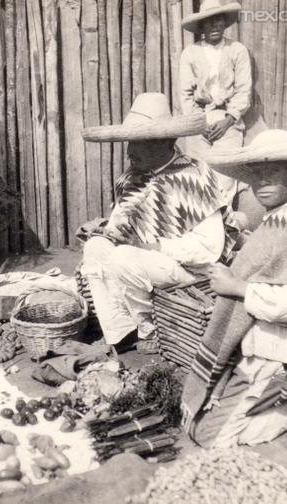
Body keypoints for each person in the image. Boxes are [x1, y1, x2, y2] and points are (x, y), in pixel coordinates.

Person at [181, 129, 287, 448]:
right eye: (256, 173)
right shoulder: (275, 221)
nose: (263, 181)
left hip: (276, 353)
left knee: (209, 437)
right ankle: (276, 402)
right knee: (199, 416)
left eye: (274, 171)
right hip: (255, 346)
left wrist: (238, 287)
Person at [78, 92, 227, 351]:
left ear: (165, 141)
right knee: (96, 249)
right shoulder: (132, 179)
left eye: (139, 142)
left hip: (189, 271)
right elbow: (118, 229)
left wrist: (155, 247)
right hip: (141, 266)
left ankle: (151, 329)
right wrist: (106, 233)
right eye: (128, 142)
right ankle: (123, 334)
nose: (129, 151)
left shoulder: (194, 176)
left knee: (122, 257)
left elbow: (210, 248)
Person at [179, 0, 258, 218]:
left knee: (225, 174)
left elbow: (244, 91)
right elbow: (185, 95)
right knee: (198, 173)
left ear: (225, 23)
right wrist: (199, 123)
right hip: (199, 120)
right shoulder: (190, 54)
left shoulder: (237, 50)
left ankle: (226, 226)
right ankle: (201, 225)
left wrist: (229, 120)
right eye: (208, 21)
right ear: (201, 26)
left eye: (218, 20)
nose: (214, 25)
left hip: (228, 119)